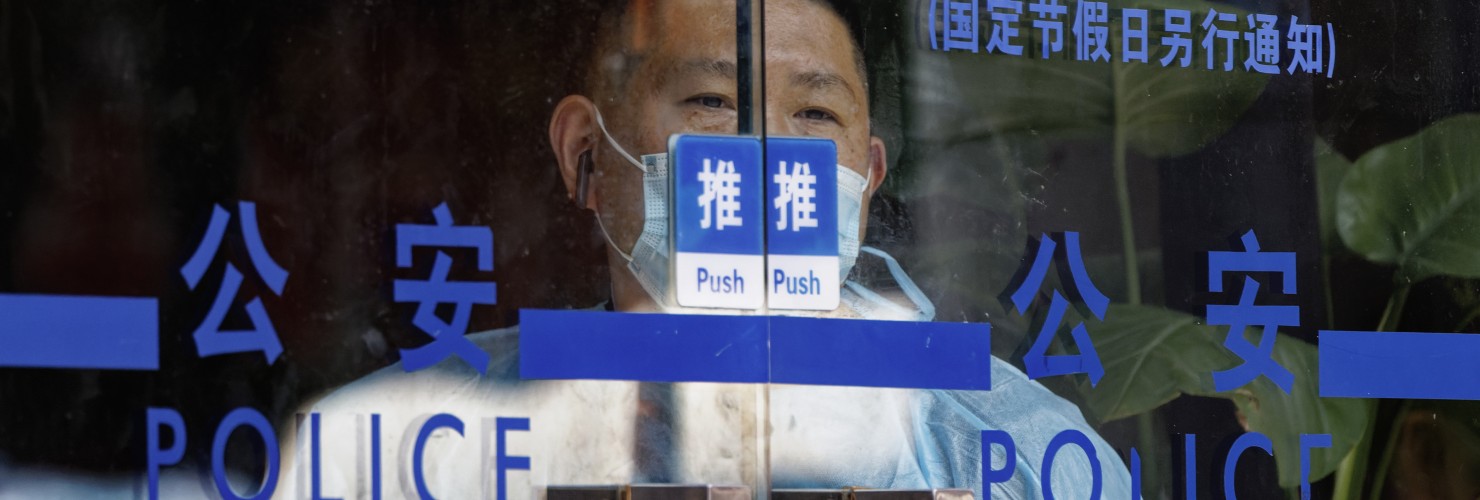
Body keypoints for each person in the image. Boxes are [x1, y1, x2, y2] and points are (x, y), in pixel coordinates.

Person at [280, 0, 1132, 498]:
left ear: (868, 177)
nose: (765, 157)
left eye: (816, 116)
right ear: (585, 151)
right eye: (715, 101)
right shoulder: (403, 453)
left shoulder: (1021, 458)